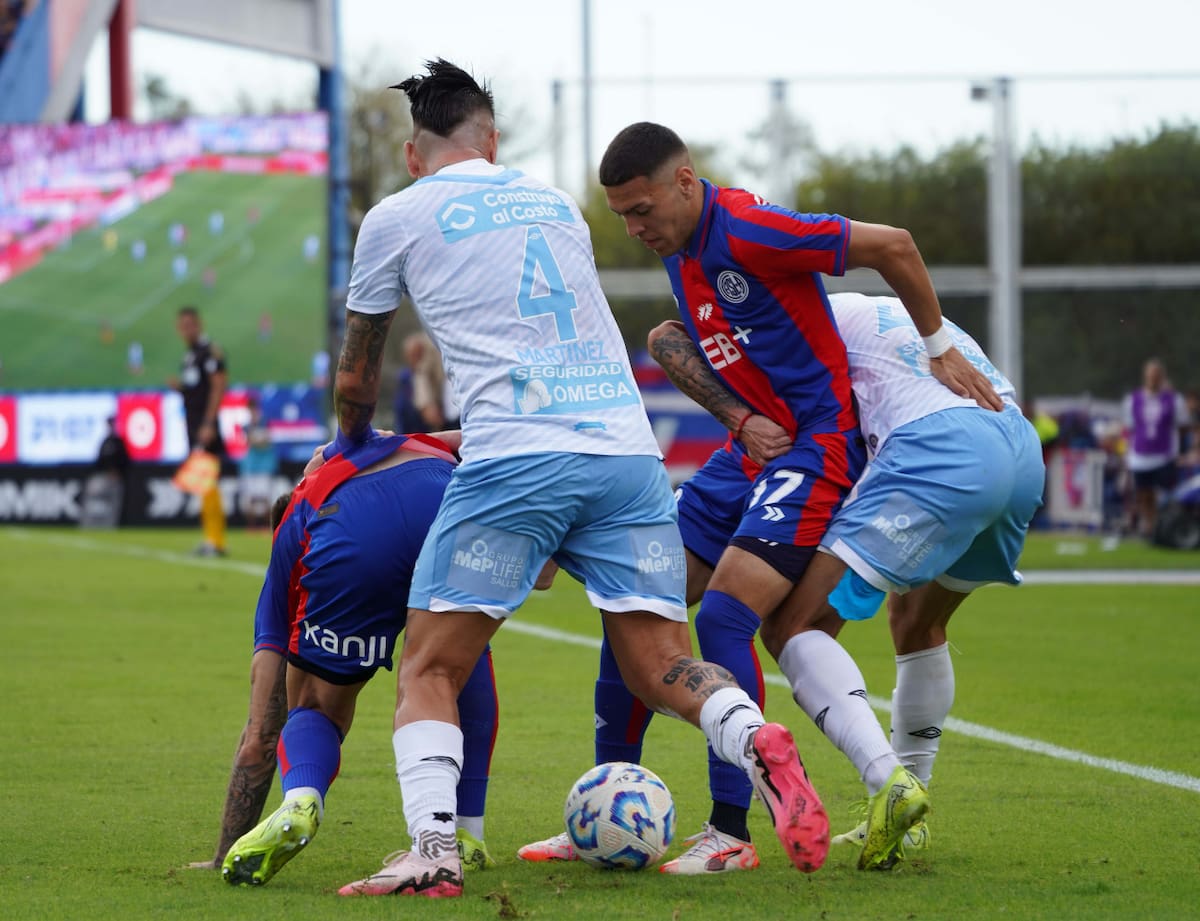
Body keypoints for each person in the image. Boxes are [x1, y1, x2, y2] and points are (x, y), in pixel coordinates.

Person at [327, 60, 822, 899]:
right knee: (662, 664)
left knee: (429, 669)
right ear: (492, 141)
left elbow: (357, 377)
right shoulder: (555, 204)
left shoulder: (396, 216)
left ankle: (434, 851)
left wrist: (349, 446)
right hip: (627, 457)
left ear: (414, 154)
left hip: (517, 460)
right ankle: (753, 738)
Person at [534, 121, 1000, 874]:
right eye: (621, 215)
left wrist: (939, 344)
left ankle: (732, 832)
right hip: (748, 453)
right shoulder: (678, 245)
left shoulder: (751, 228)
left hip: (816, 447)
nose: (634, 228)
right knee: (633, 599)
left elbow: (895, 245)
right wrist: (739, 419)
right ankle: (603, 801)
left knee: (723, 616)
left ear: (686, 182)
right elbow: (679, 340)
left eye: (642, 209)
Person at [211, 431, 502, 885]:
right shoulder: (402, 441)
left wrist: (223, 854)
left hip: (354, 528)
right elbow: (483, 434)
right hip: (449, 498)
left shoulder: (296, 529)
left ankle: (301, 800)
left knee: (315, 706)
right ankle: (467, 835)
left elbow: (261, 732)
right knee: (456, 658)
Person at [173, 305, 229, 556]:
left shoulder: (209, 352)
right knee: (204, 483)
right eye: (183, 326)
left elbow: (219, 384)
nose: (187, 330)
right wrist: (181, 389)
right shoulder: (191, 355)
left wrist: (208, 422)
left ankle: (215, 541)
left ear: (199, 324)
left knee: (208, 482)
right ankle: (211, 539)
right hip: (194, 426)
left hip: (205, 427)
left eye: (190, 325)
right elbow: (197, 389)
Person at [1122, 358, 1190, 538]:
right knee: (1144, 494)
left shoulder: (1174, 400)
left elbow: (1183, 426)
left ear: (1162, 377)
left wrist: (1181, 450)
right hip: (1140, 456)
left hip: (1164, 455)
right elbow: (1130, 428)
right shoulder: (1133, 399)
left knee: (1165, 494)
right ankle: (1150, 526)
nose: (1153, 379)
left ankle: (1165, 525)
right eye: (1150, 376)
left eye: (1157, 376)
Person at [238, 396, 278, 531]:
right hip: (251, 466)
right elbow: (252, 441)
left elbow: (264, 442)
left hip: (265, 465)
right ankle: (252, 526)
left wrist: (257, 439)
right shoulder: (246, 426)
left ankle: (266, 526)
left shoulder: (266, 422)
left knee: (265, 497)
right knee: (250, 497)